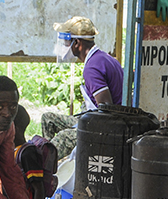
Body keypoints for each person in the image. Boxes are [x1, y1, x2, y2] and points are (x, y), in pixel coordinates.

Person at [42, 16, 124, 159]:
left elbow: (107, 110)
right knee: (47, 119)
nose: (64, 46)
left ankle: (44, 167)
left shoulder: (92, 68)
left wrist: (82, 127)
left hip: (103, 127)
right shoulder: (104, 58)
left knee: (62, 139)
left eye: (67, 42)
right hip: (95, 118)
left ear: (77, 43)